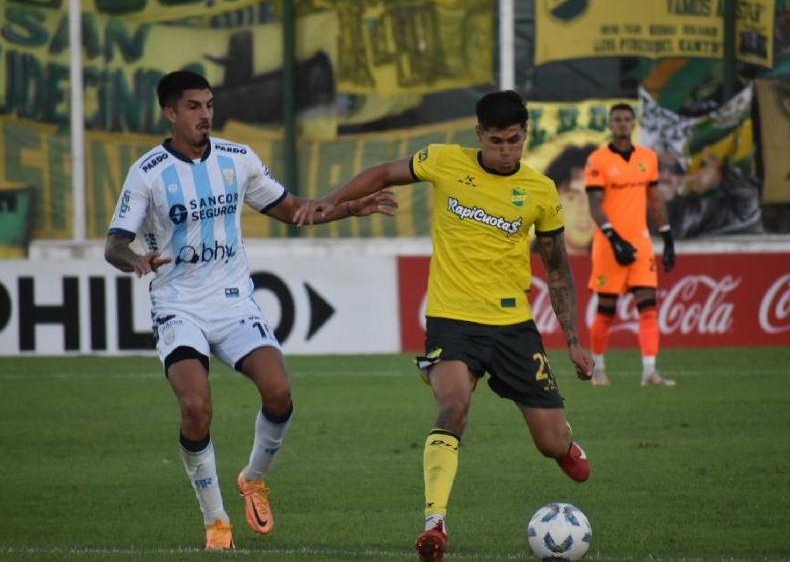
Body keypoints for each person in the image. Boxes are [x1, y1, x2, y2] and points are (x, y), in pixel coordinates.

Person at [294, 90, 594, 562]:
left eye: (514, 141)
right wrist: (329, 202)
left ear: (525, 135)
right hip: (452, 320)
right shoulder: (444, 161)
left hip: (514, 327)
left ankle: (565, 445)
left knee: (550, 441)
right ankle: (435, 524)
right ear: (478, 135)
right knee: (452, 406)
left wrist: (575, 340)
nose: (505, 151)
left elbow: (557, 269)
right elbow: (381, 172)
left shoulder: (541, 191)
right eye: (496, 141)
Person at [104, 70, 396, 550]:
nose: (205, 115)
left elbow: (293, 210)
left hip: (233, 299)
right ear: (170, 113)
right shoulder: (148, 172)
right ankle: (216, 521)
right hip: (178, 305)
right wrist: (134, 259)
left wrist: (349, 208)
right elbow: (114, 244)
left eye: (209, 105)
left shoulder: (239, 160)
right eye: (194, 107)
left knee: (278, 391)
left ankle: (253, 478)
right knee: (196, 406)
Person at [583, 103, 676, 387]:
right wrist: (613, 237)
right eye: (617, 120)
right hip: (610, 245)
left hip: (641, 243)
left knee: (648, 307)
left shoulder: (647, 158)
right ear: (610, 125)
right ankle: (598, 368)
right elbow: (595, 206)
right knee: (606, 310)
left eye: (627, 119)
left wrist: (667, 236)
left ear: (633, 124)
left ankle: (649, 371)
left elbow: (655, 200)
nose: (623, 124)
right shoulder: (597, 159)